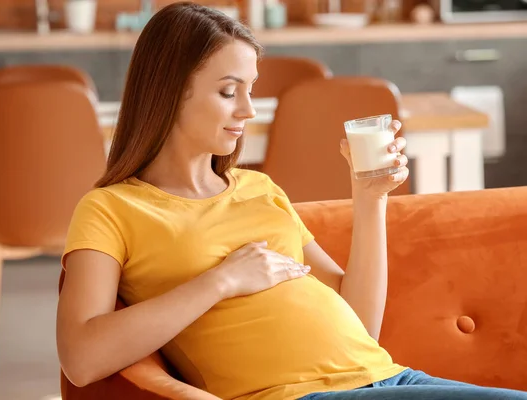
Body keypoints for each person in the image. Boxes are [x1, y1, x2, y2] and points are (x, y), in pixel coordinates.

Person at [56, 2, 527, 400]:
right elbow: (82, 358)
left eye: (250, 89)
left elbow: (361, 321)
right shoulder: (111, 209)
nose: (248, 110)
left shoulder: (261, 190)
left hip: (391, 378)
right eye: (228, 91)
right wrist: (221, 281)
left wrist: (369, 199)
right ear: (169, 92)